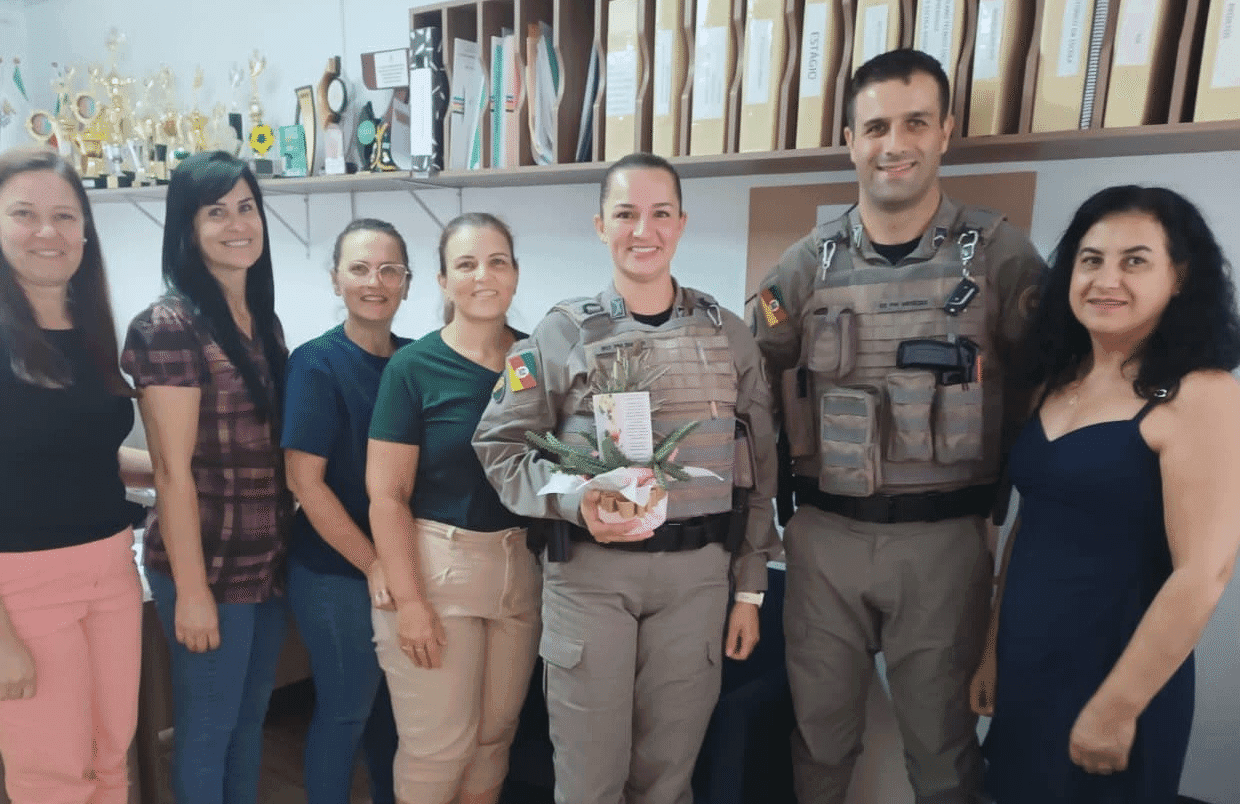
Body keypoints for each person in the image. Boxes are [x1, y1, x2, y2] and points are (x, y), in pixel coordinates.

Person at [752, 49, 1046, 803]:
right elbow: (754, 384)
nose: (895, 143)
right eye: (876, 125)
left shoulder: (1003, 255)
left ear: (946, 131)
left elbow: (1048, 392)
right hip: (823, 540)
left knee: (944, 754)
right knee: (818, 745)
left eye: (916, 121)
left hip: (945, 544)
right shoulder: (802, 266)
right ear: (850, 139)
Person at [473, 152, 783, 804]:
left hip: (697, 577)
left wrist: (750, 589)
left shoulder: (728, 335)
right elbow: (499, 444)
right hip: (590, 578)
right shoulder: (558, 334)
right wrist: (575, 498)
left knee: (668, 779)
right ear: (599, 225)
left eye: (659, 213)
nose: (643, 230)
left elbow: (759, 467)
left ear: (681, 223)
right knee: (589, 783)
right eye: (625, 214)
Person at [970, 186, 1240, 803]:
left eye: (1135, 260)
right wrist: (991, 650)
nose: (1106, 279)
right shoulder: (1056, 384)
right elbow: (1029, 529)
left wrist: (1116, 709)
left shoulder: (1202, 392)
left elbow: (1204, 574)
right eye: (1090, 260)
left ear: (1180, 277)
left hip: (1119, 676)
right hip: (1029, 666)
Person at [0, 148, 152, 803]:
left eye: (65, 216)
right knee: (55, 781)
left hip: (110, 572)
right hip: (19, 586)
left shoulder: (87, 326)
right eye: (26, 214)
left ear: (84, 231)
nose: (48, 232)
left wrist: (181, 474)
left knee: (110, 761)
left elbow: (83, 453)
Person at [121, 151, 291, 804]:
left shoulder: (261, 322)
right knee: (205, 731)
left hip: (265, 563)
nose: (236, 224)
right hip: (208, 568)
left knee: (248, 725)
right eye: (215, 211)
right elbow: (171, 469)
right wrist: (193, 591)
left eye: (246, 207)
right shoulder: (169, 327)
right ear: (187, 228)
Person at [366, 212, 540, 804]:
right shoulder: (413, 368)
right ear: (443, 281)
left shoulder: (538, 358)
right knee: (437, 749)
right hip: (438, 569)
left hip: (522, 571)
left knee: (495, 740)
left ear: (515, 273)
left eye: (497, 261)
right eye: (466, 264)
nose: (483, 276)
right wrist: (409, 601)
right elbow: (385, 493)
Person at [282, 218, 410, 803]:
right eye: (359, 269)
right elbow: (305, 484)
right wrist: (373, 564)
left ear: (407, 283)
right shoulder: (315, 365)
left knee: (397, 716)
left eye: (389, 269)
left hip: (402, 567)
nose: (374, 282)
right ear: (336, 280)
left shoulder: (416, 362)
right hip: (336, 571)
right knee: (346, 709)